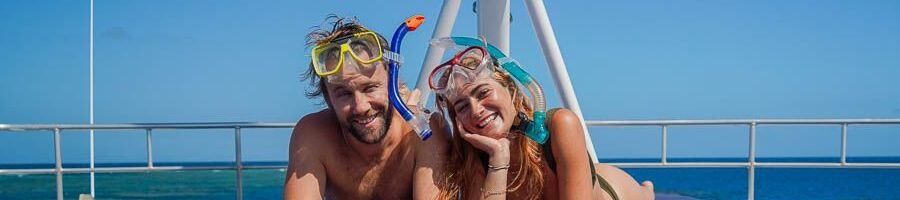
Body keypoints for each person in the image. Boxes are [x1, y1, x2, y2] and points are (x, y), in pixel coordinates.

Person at [415, 44, 655, 199]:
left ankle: (647, 190)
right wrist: (499, 158)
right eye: (462, 107)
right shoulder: (475, 159)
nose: (476, 110)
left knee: (644, 193)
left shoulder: (560, 125)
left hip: (615, 192)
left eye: (483, 93)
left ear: (511, 90)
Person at [283, 15, 439, 199]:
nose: (360, 107)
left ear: (393, 83)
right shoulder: (314, 135)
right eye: (344, 94)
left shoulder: (425, 132)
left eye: (370, 88)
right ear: (328, 98)